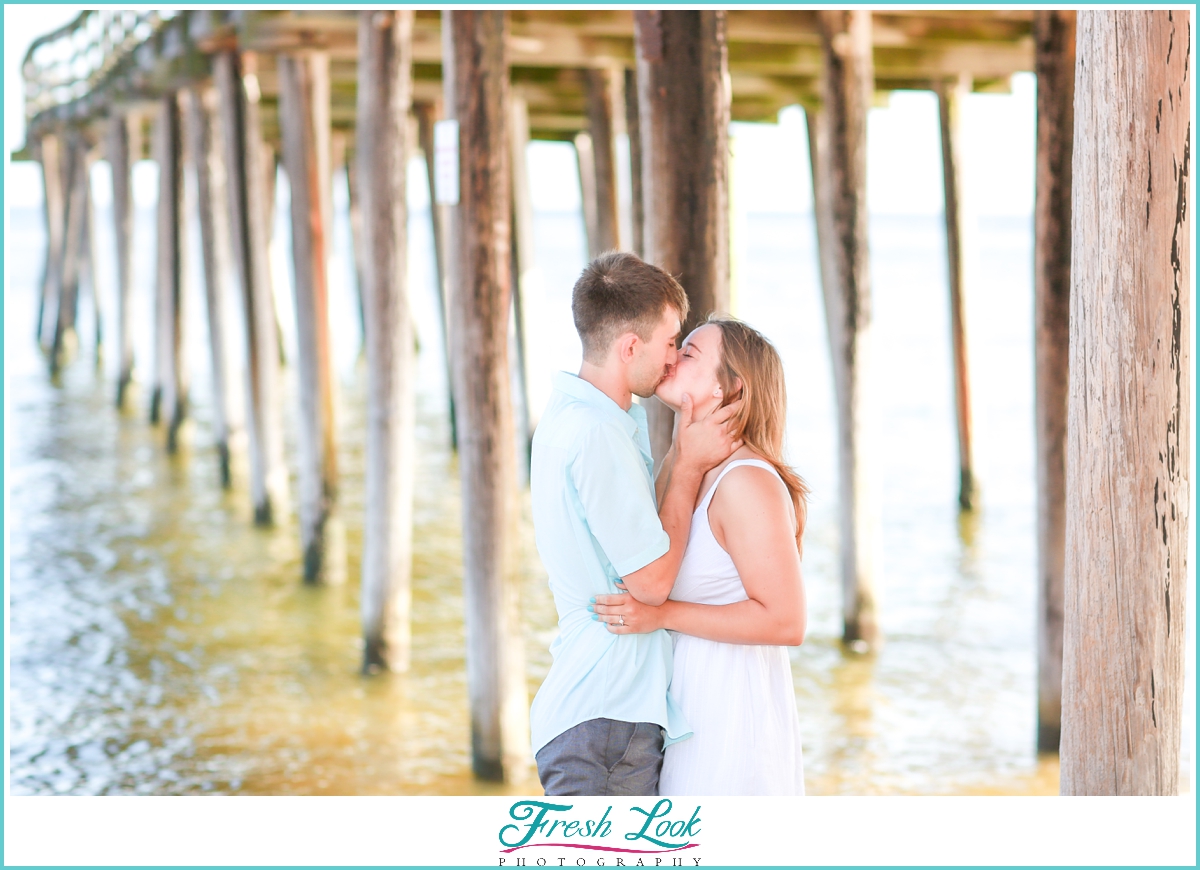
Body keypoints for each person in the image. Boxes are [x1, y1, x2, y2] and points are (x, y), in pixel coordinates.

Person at [529, 252, 743, 797]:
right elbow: (650, 582)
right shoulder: (597, 434)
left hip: (598, 713)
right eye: (671, 342)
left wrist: (679, 450)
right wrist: (692, 466)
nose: (674, 358)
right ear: (629, 348)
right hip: (607, 718)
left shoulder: (582, 414)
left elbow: (634, 529)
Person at [591, 316, 809, 795]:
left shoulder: (746, 481)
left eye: (689, 353)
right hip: (691, 708)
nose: (671, 357)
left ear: (729, 388)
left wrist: (662, 613)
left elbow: (786, 621)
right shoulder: (690, 469)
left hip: (733, 718)